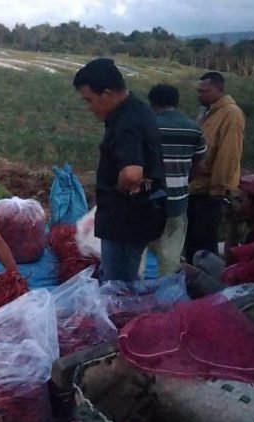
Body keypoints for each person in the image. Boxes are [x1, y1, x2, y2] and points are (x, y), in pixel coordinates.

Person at [72, 58, 166, 282]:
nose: (90, 107)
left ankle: (120, 317)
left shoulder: (126, 122)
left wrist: (116, 189)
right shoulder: (137, 110)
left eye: (90, 100)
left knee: (118, 285)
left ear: (106, 94)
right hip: (135, 216)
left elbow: (132, 174)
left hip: (125, 221)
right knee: (125, 278)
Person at [184, 174, 254, 296]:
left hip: (243, 294)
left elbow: (231, 264)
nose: (234, 205)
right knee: (200, 256)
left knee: (186, 271)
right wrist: (233, 225)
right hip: (238, 278)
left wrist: (232, 225)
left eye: (240, 201)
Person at [145, 84, 207, 276]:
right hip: (177, 201)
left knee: (140, 252)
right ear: (176, 102)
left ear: (152, 102)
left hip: (147, 202)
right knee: (170, 255)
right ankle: (167, 296)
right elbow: (198, 164)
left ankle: (136, 296)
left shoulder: (147, 126)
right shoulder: (193, 129)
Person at [185, 71, 245, 260]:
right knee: (192, 239)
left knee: (204, 241)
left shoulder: (231, 114)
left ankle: (204, 281)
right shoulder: (207, 112)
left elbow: (228, 155)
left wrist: (218, 190)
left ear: (219, 90)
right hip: (196, 188)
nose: (200, 95)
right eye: (199, 91)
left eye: (205, 91)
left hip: (210, 192)